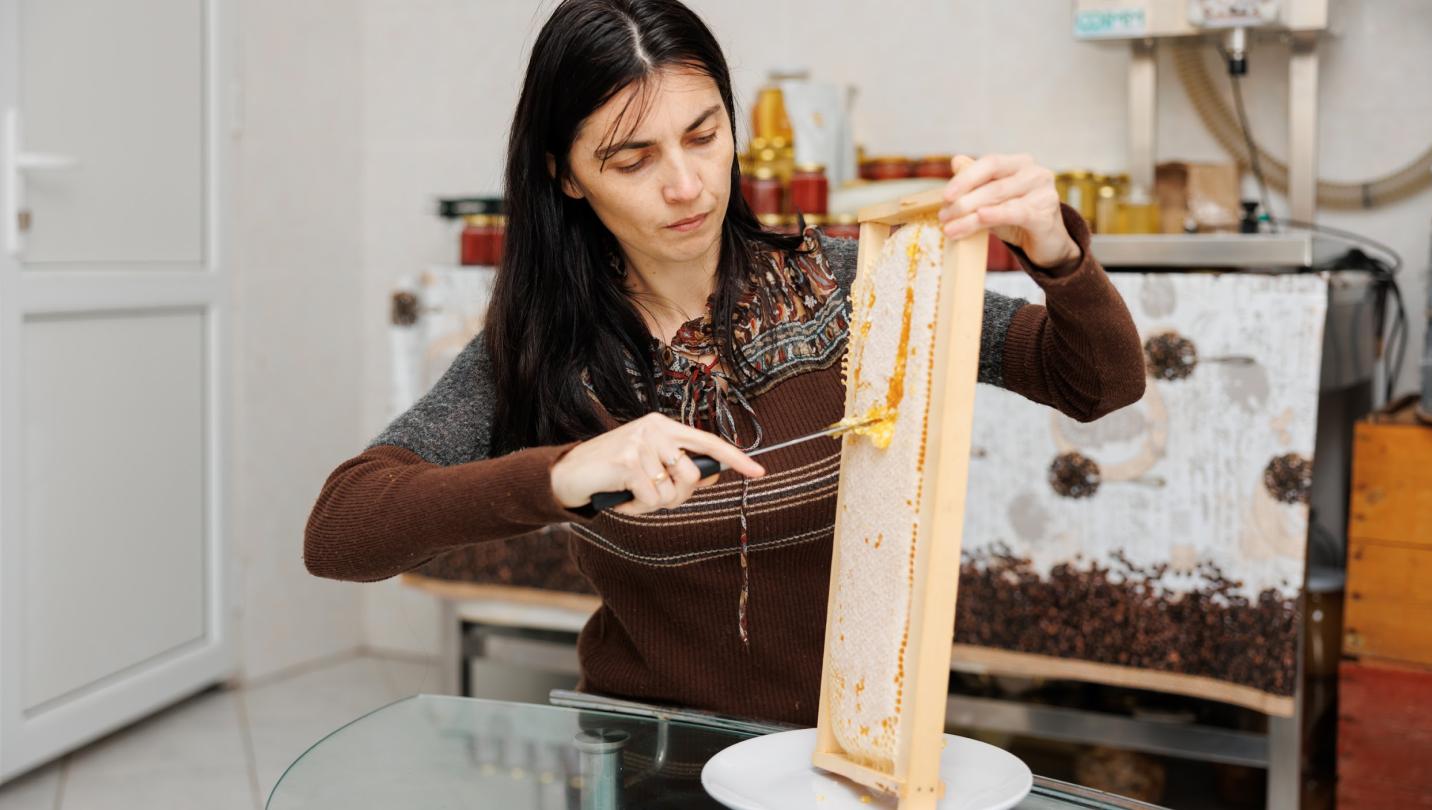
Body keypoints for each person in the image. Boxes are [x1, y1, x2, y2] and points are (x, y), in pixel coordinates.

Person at [305, 0, 1145, 726]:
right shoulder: (549, 350)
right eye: (632, 160)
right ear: (565, 177)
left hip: (851, 749)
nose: (687, 186)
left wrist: (1055, 247)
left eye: (704, 136)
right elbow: (342, 533)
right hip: (651, 755)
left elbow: (1097, 382)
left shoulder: (848, 284)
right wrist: (562, 474)